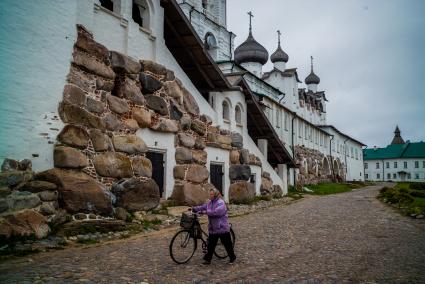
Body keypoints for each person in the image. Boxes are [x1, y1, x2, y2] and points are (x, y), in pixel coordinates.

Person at [192, 188, 236, 265]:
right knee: (211, 245)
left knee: (227, 244)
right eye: (210, 194)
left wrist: (205, 212)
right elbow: (203, 206)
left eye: (211, 194)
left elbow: (216, 212)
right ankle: (208, 260)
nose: (210, 195)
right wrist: (194, 209)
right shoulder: (210, 203)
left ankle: (232, 257)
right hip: (213, 228)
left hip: (221, 227)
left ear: (215, 195)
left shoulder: (221, 203)